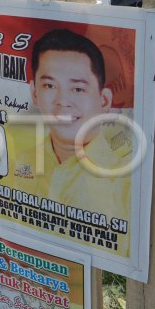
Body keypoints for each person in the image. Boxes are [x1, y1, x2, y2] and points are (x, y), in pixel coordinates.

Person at [24, 28, 132, 231]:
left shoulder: (127, 179)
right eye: (49, 86)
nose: (63, 101)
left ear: (104, 100)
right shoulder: (19, 162)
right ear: (34, 93)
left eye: (78, 89)